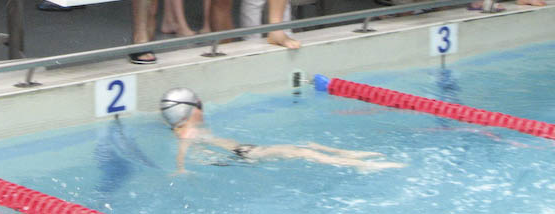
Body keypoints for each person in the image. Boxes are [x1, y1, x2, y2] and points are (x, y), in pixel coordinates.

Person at [159, 87, 405, 173]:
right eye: (199, 105)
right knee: (301, 152)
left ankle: (348, 155)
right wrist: (181, 169)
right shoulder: (188, 131)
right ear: (189, 111)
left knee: (307, 146)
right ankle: (358, 164)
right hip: (247, 154)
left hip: (244, 153)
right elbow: (184, 147)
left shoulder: (182, 129)